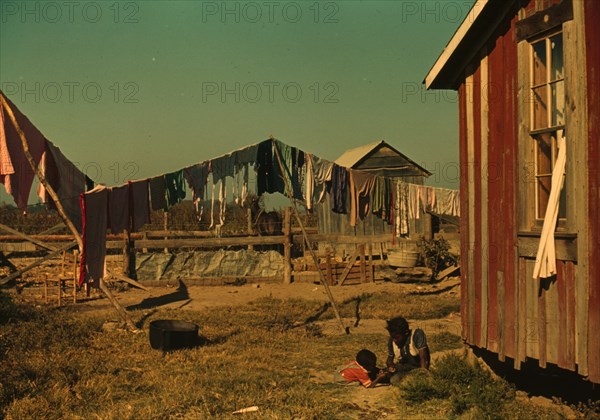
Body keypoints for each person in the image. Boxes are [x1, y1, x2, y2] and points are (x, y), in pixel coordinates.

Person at [385, 317, 430, 383]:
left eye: (397, 338)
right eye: (393, 337)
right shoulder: (392, 340)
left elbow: (424, 358)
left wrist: (423, 374)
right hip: (403, 368)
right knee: (383, 373)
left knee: (394, 380)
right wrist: (391, 366)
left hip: (416, 368)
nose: (394, 340)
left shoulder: (417, 335)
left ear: (406, 333)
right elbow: (389, 359)